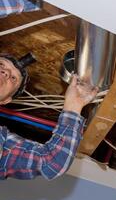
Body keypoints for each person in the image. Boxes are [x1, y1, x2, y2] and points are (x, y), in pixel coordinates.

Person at [0, 52, 98, 180]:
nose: (5, 73)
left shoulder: (4, 142)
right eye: (1, 64)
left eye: (13, 78)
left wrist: (73, 106)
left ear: (5, 100)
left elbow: (50, 163)